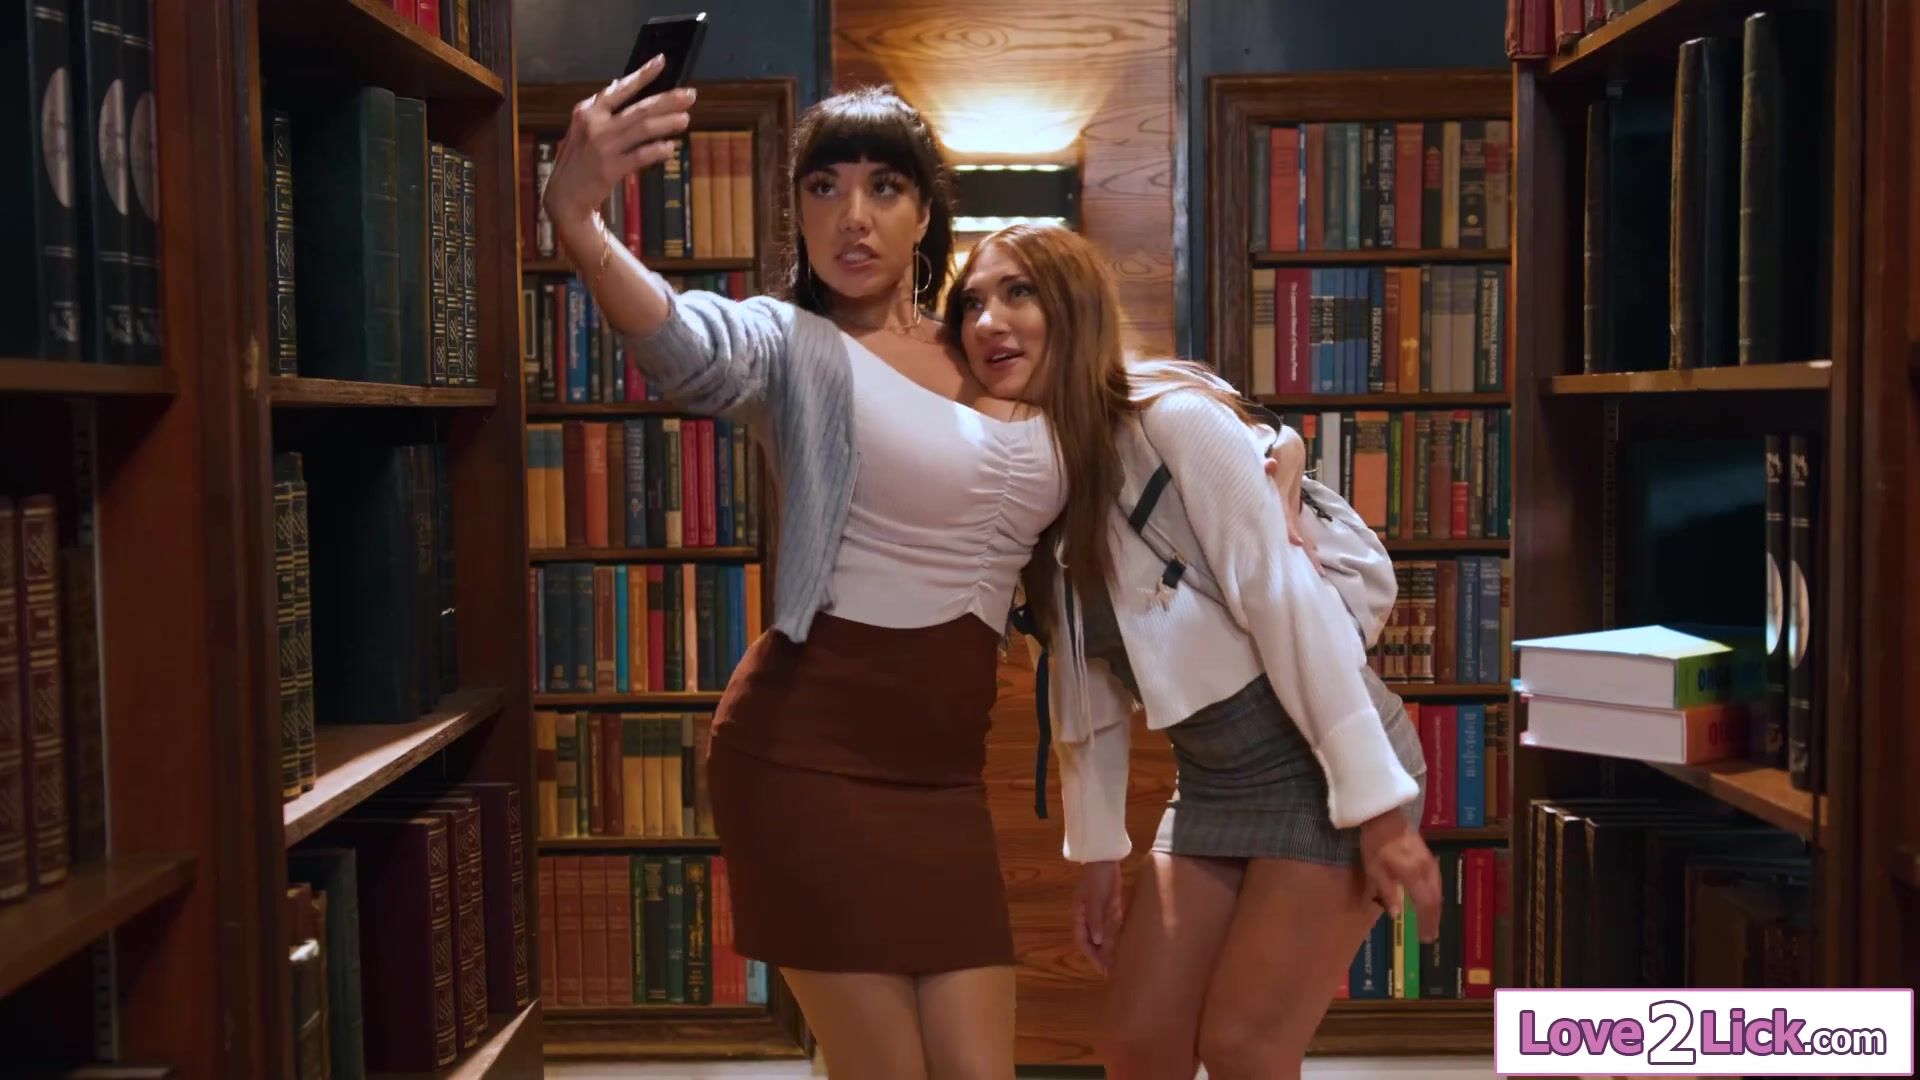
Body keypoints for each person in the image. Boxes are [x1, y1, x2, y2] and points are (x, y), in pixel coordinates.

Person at [945, 223, 1441, 1080]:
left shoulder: (1173, 420)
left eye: (1018, 292)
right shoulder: (1040, 474)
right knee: (1139, 1046)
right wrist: (1099, 852)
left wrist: (1379, 809)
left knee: (1244, 1048)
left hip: (1318, 767)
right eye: (971, 304)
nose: (989, 321)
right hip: (1214, 782)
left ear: (1076, 306)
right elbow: (1082, 682)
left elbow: (1288, 603)